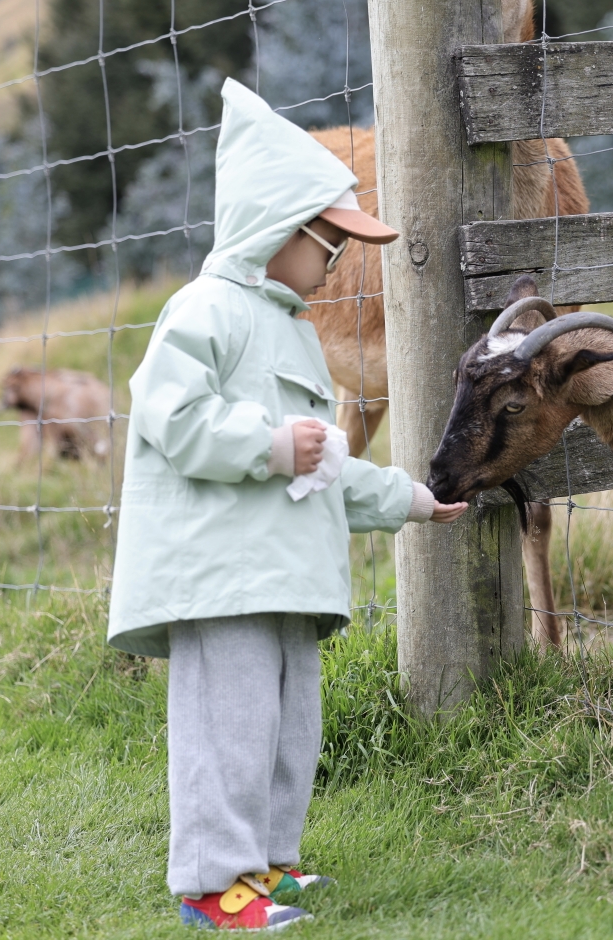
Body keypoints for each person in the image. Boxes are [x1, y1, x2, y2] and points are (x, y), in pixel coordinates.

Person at [107, 78, 467, 931]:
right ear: (281, 228)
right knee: (225, 728)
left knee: (287, 729)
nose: (339, 263)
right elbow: (171, 415)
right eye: (328, 243)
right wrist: (268, 448)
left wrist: (412, 499)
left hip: (284, 579)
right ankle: (209, 881)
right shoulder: (202, 311)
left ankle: (269, 867)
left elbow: (325, 461)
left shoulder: (294, 328)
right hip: (218, 577)